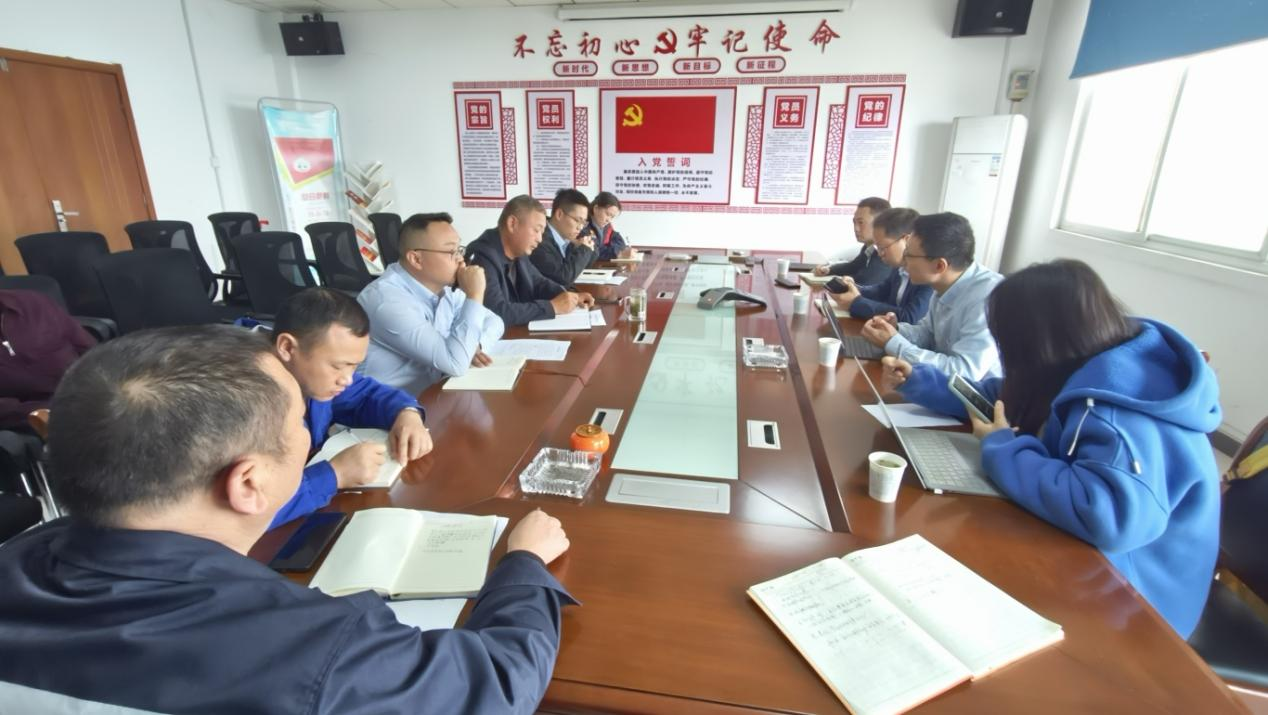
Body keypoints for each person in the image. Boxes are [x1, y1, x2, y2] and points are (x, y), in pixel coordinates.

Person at [0, 325, 576, 713]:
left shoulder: (18, 557)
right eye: (300, 422)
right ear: (249, 483)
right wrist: (524, 565)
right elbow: (500, 681)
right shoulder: (310, 649)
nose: (308, 436)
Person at [881, 259, 1220, 638]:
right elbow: (1005, 397)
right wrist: (922, 381)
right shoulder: (1079, 360)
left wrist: (1002, 448)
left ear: (1038, 342)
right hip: (1085, 561)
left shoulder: (1117, 412)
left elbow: (1108, 517)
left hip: (1137, 606)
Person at [271, 288, 433, 528]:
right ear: (287, 347)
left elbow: (365, 395)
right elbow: (241, 511)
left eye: (353, 367)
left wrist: (407, 414)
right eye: (338, 366)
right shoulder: (244, 404)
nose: (347, 379)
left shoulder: (312, 377)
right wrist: (334, 475)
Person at [358, 212, 504, 394]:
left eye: (460, 249)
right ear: (416, 259)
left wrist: (475, 345)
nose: (461, 259)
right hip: (387, 407)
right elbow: (456, 363)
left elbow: (495, 322)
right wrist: (474, 294)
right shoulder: (386, 301)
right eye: (451, 252)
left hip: (435, 394)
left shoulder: (443, 289)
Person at [860, 212, 1002, 380]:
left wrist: (893, 343)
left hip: (977, 394)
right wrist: (895, 329)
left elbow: (964, 372)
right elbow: (927, 334)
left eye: (909, 255)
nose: (903, 261)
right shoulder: (945, 282)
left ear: (939, 266)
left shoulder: (988, 298)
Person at [467, 195, 594, 326]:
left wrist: (571, 297)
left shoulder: (519, 253)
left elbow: (539, 283)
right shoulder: (482, 258)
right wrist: (552, 307)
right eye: (536, 230)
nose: (540, 239)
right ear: (512, 224)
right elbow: (497, 312)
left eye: (542, 232)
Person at [0, 288, 96, 431]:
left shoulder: (33, 303)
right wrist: (44, 411)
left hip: (86, 391)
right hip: (31, 419)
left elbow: (89, 349)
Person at [827, 207, 932, 324]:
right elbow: (880, 291)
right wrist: (853, 288)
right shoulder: (899, 268)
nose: (880, 253)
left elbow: (910, 317)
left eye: (883, 247)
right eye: (877, 247)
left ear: (906, 241)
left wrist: (855, 302)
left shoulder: (929, 275)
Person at [812, 196, 893, 285]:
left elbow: (865, 281)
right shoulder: (869, 247)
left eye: (861, 222)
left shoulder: (885, 253)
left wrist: (843, 281)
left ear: (880, 223)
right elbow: (853, 266)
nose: (856, 228)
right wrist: (829, 270)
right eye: (854, 222)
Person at [529, 188, 596, 286]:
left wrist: (582, 247)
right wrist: (584, 250)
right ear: (559, 214)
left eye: (583, 223)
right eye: (578, 220)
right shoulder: (540, 241)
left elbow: (588, 263)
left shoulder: (568, 239)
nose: (580, 227)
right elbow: (563, 278)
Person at [586, 191, 635, 261]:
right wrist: (619, 253)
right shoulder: (584, 225)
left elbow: (620, 242)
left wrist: (612, 250)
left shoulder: (606, 226)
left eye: (612, 217)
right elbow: (594, 252)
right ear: (596, 208)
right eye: (608, 214)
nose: (608, 220)